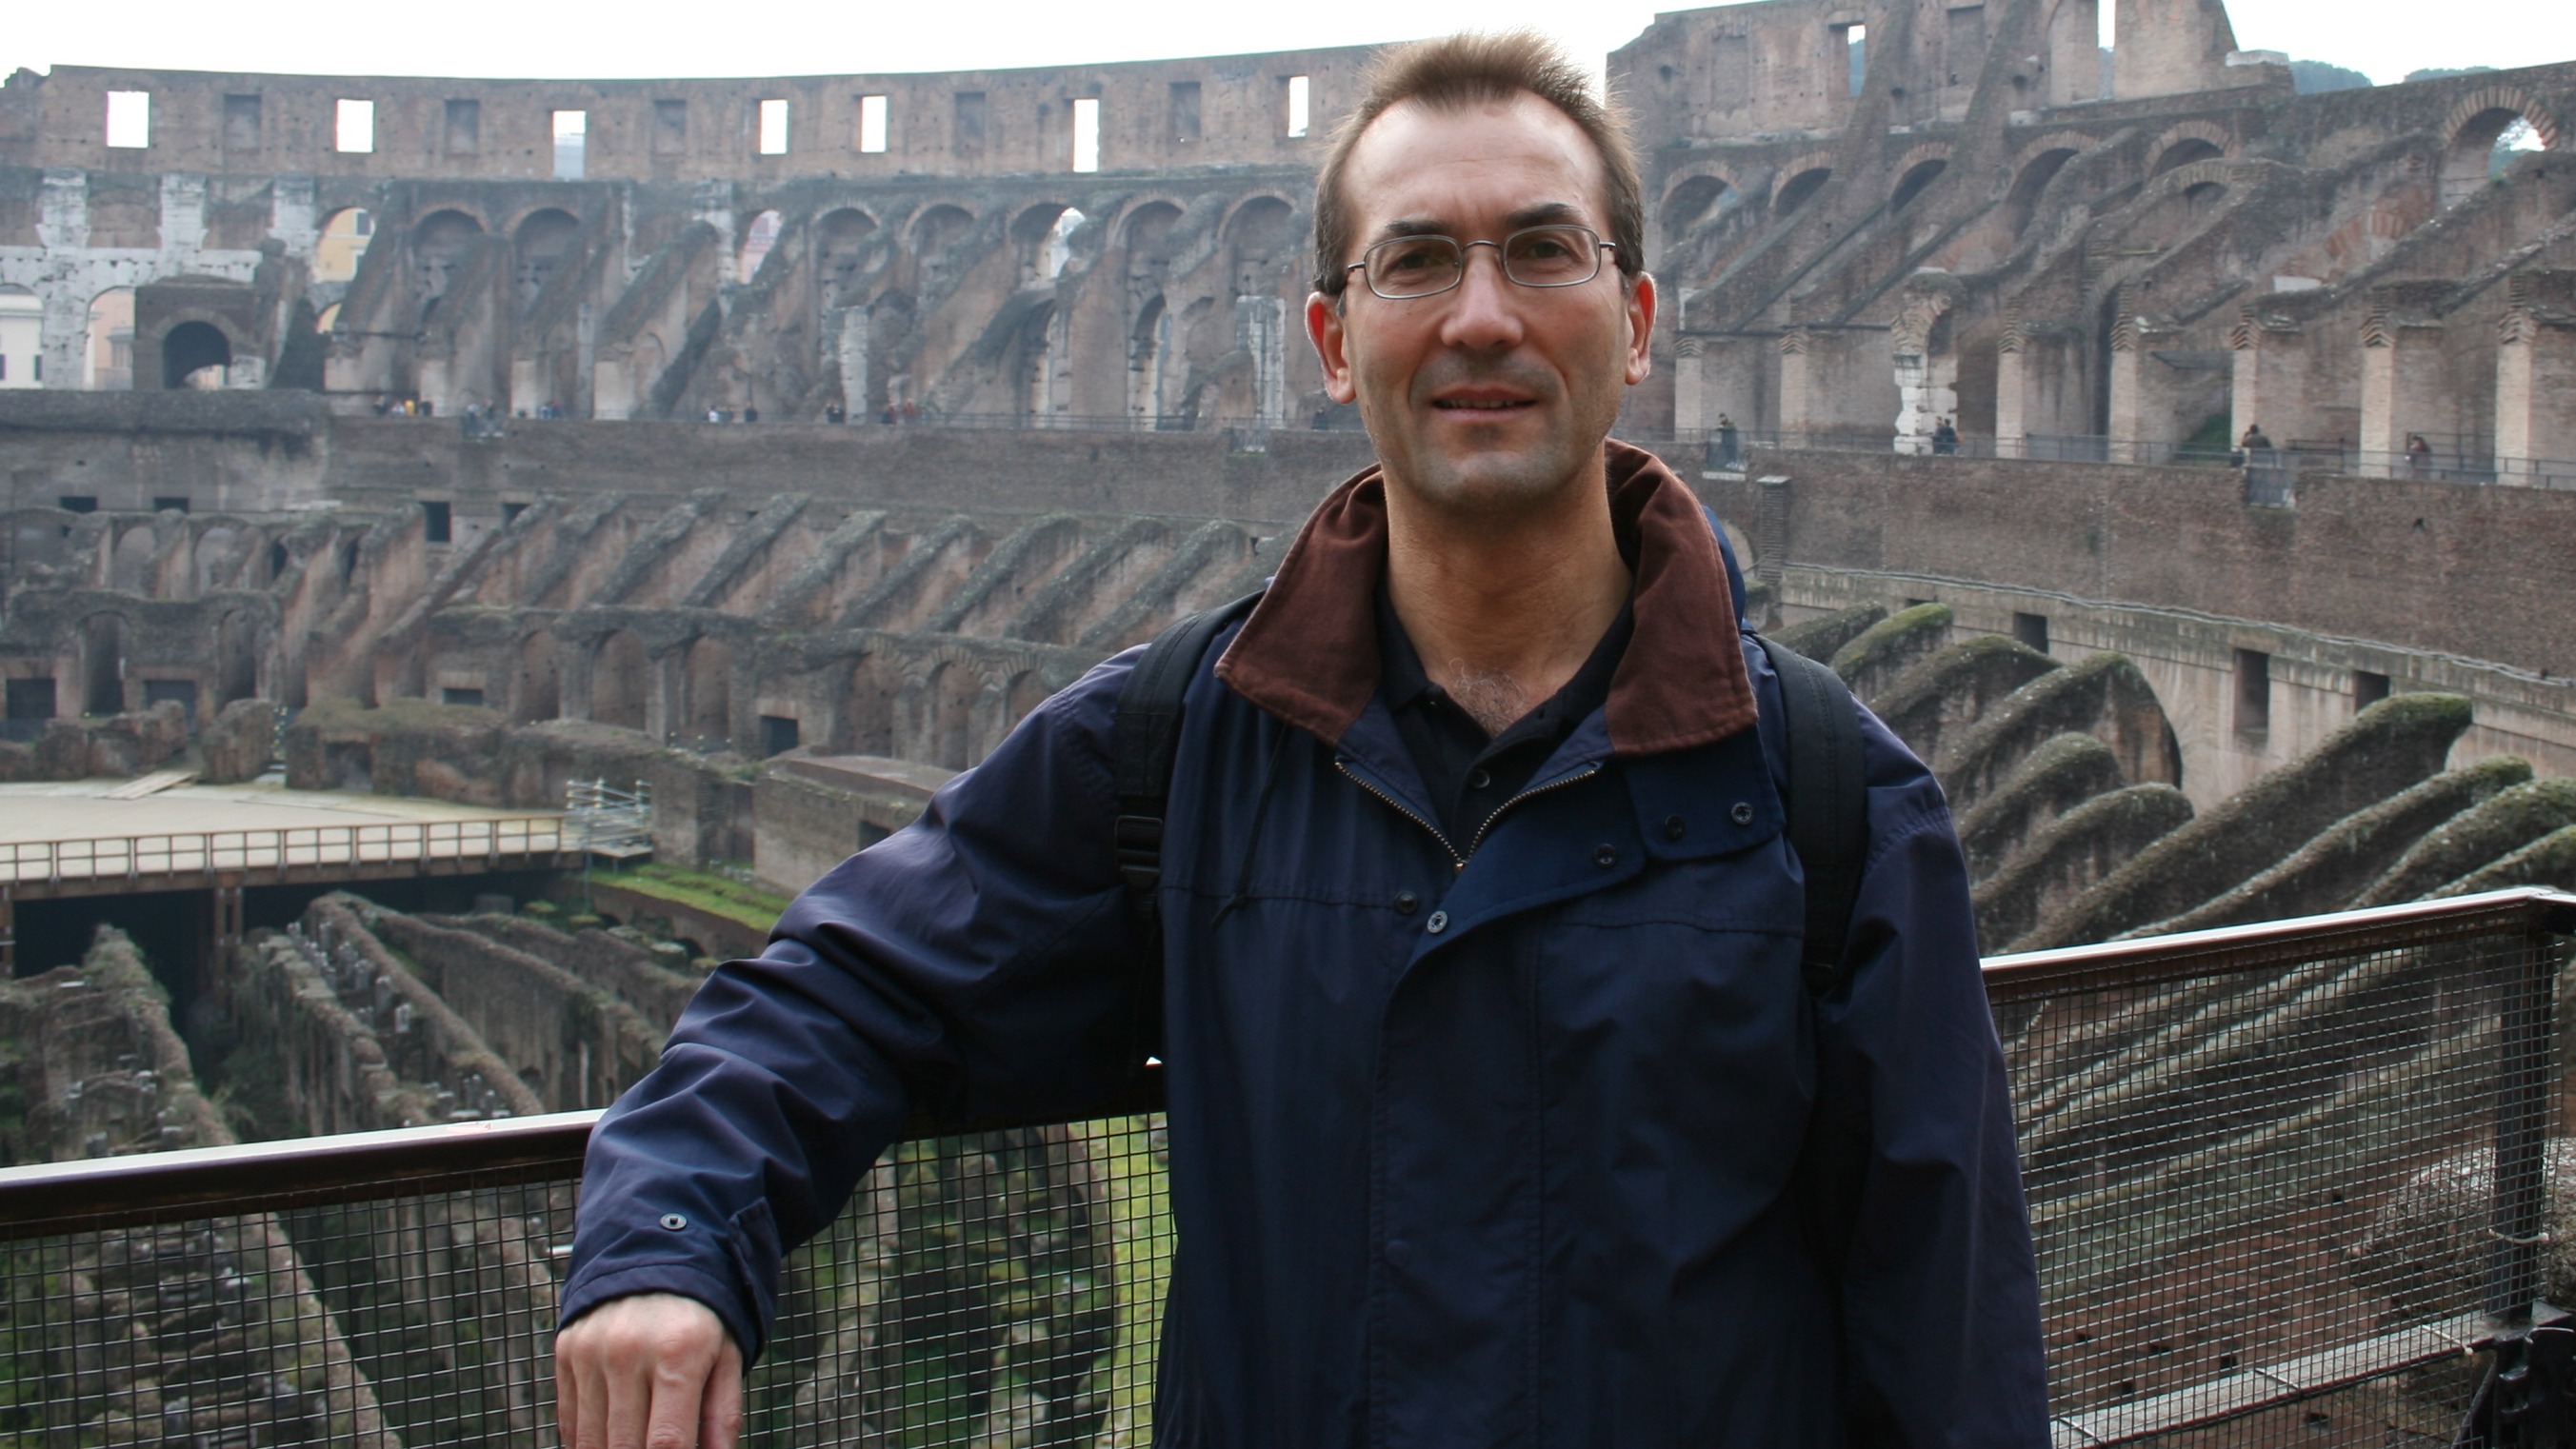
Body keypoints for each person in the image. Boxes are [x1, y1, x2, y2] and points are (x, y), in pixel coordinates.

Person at [555, 30, 2047, 1449]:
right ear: (1334, 340)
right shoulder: (1177, 746)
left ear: (1635, 322)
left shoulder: (1833, 798)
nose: (1481, 314)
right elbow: (839, 988)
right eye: (1416, 260)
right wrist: (667, 1242)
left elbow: (1951, 1343)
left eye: (1541, 249)